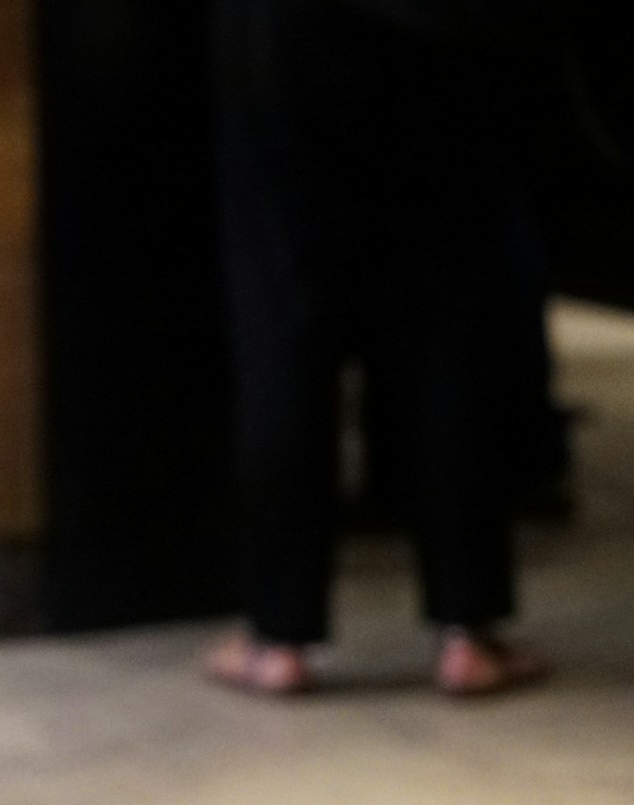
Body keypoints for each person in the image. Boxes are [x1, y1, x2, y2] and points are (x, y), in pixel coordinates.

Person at [207, 0, 552, 695]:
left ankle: (280, 637)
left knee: (285, 318)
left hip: (288, 36)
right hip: (446, 37)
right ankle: (467, 630)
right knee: (453, 318)